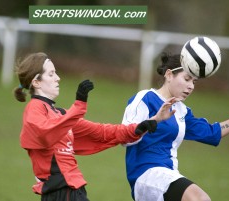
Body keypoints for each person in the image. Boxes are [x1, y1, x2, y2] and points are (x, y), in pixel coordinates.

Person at [14, 52, 177, 201]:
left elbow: (102, 133)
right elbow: (45, 133)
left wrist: (141, 126)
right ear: (36, 82)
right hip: (59, 192)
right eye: (51, 74)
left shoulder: (61, 115)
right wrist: (78, 107)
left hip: (73, 190)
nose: (58, 78)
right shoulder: (34, 109)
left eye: (55, 72)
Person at [121, 52, 229, 201]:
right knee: (199, 199)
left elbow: (212, 133)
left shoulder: (181, 111)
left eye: (194, 81)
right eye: (187, 79)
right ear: (169, 75)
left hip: (168, 175)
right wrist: (155, 120)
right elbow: (125, 139)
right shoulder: (145, 98)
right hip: (146, 175)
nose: (191, 86)